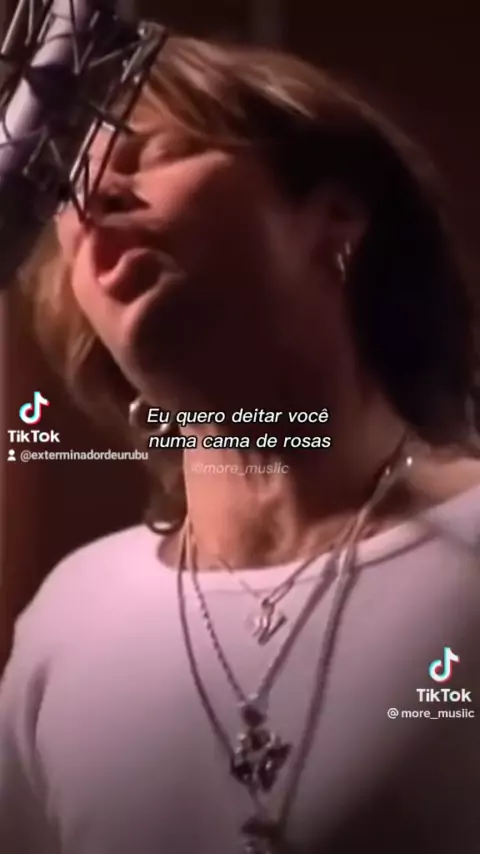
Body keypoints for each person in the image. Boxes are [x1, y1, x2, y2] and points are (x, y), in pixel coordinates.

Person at [1, 28, 480, 854]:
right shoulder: (66, 622)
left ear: (335, 219)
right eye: (73, 195)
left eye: (149, 154)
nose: (95, 201)